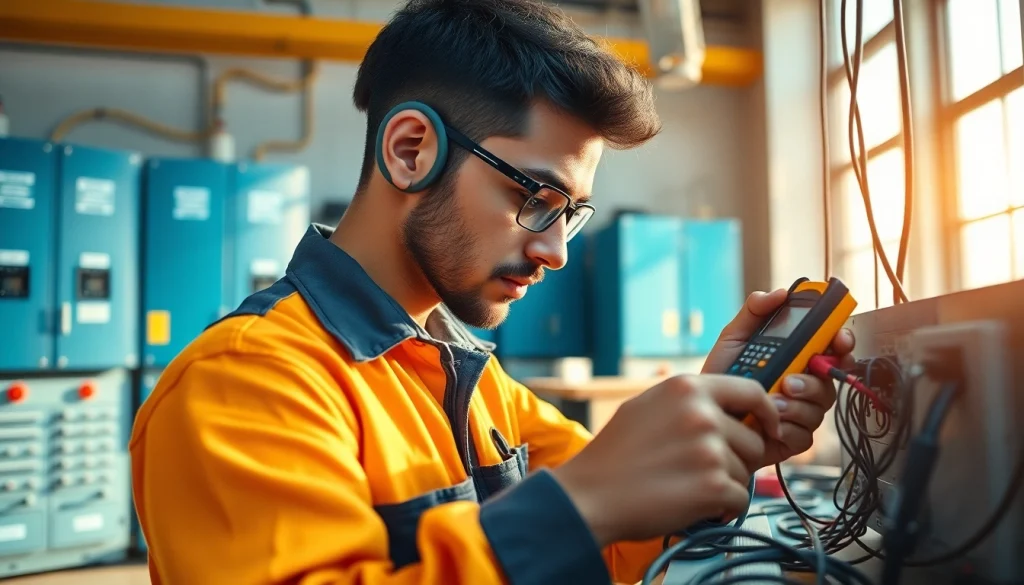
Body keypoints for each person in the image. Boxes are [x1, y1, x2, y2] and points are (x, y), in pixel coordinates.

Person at [129, 1, 855, 583]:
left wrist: (718, 419)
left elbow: (611, 546)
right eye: (537, 197)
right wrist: (581, 501)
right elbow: (586, 512)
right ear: (411, 150)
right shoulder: (243, 382)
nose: (556, 250)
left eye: (571, 213)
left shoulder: (469, 377)